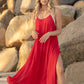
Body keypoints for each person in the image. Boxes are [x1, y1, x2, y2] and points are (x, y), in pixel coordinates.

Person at [7, 0, 65, 84]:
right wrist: (33, 33)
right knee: (38, 73)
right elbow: (34, 30)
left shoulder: (56, 11)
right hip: (39, 47)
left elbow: (59, 30)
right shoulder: (36, 12)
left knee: (60, 70)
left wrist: (49, 33)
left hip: (52, 45)